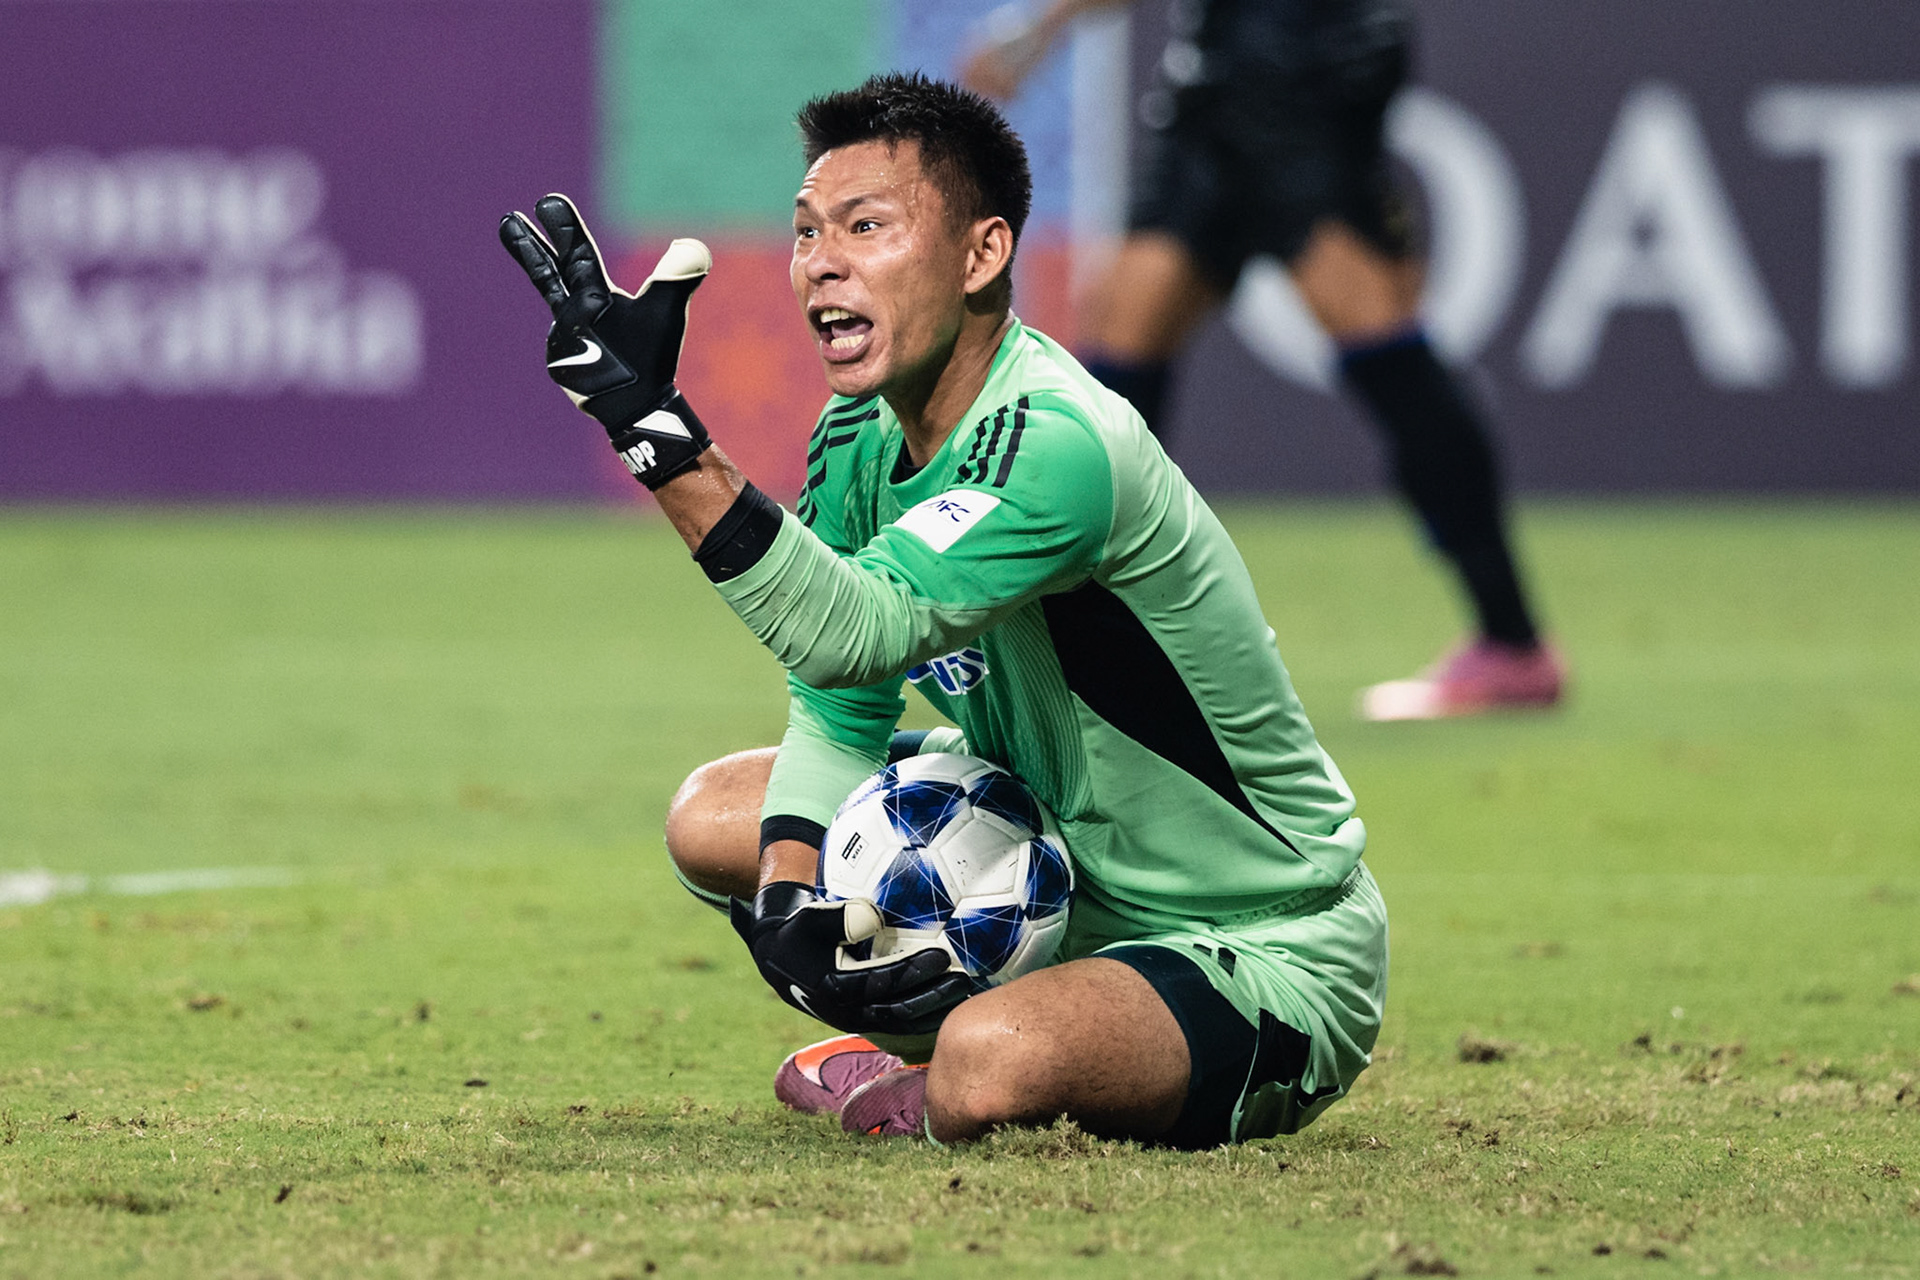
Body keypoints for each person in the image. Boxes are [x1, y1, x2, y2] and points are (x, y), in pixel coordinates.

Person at [501, 72, 1385, 1148]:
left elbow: (858, 628)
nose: (821, 262)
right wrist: (785, 900)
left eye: (866, 226)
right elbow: (840, 700)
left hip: (1255, 934)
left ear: (981, 255)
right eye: (807, 231)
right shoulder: (857, 434)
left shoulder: (1054, 440)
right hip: (1051, 850)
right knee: (712, 816)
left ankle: (945, 1053)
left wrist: (656, 433)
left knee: (987, 1066)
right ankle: (966, 1027)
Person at [962, 0, 1564, 719]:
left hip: (1296, 68)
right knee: (1120, 346)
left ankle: (1512, 643)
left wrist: (1037, 28)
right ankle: (1080, 645)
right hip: (1223, 78)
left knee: (1384, 350)